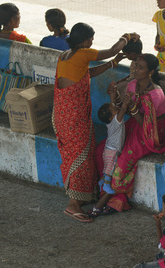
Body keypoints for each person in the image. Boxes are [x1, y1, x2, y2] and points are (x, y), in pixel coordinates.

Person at [52, 22, 139, 222]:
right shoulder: (83, 53)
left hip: (62, 116)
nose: (92, 42)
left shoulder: (65, 56)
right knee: (79, 156)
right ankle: (73, 205)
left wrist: (112, 64)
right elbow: (112, 50)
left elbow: (86, 75)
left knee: (74, 154)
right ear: (84, 40)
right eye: (90, 38)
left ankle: (78, 197)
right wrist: (127, 36)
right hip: (73, 117)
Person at [92, 54, 165, 215]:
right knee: (101, 151)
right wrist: (115, 97)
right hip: (134, 124)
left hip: (151, 132)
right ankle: (104, 191)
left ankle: (116, 201)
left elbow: (146, 125)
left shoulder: (155, 94)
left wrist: (131, 108)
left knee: (123, 160)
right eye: (135, 65)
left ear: (150, 71)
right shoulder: (133, 84)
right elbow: (122, 110)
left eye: (140, 67)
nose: (135, 69)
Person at [91, 82, 127, 212]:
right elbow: (122, 110)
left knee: (107, 168)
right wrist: (126, 102)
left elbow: (113, 106)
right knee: (110, 169)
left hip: (108, 149)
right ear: (112, 116)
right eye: (114, 109)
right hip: (112, 151)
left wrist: (112, 97)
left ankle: (102, 182)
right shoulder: (117, 121)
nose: (116, 108)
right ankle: (106, 186)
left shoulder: (111, 121)